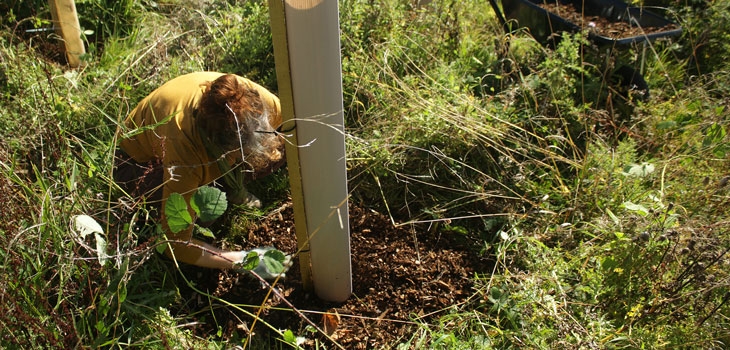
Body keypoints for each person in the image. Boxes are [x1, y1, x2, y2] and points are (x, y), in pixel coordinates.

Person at [114, 72, 288, 274]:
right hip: (138, 163)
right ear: (218, 147)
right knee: (204, 214)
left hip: (207, 152)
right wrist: (240, 260)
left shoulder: (257, 100)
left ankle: (228, 185)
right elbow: (175, 242)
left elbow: (296, 129)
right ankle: (223, 188)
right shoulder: (185, 150)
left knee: (277, 153)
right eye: (241, 151)